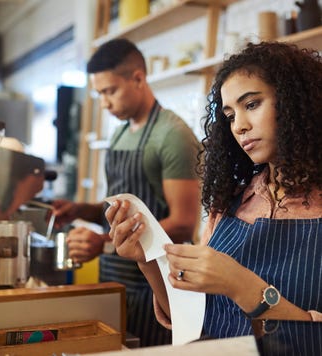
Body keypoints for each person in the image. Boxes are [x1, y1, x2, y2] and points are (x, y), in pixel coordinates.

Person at [105, 41, 322, 342]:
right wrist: (148, 260)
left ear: (296, 101)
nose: (240, 126)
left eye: (252, 104)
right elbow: (193, 317)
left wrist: (239, 283)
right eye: (230, 115)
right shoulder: (232, 200)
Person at [52, 38, 200, 346]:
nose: (104, 103)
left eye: (110, 91)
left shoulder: (172, 136)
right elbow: (121, 205)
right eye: (100, 94)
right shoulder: (121, 132)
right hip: (115, 278)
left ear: (138, 78)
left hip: (156, 287)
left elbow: (184, 223)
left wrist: (104, 244)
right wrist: (81, 210)